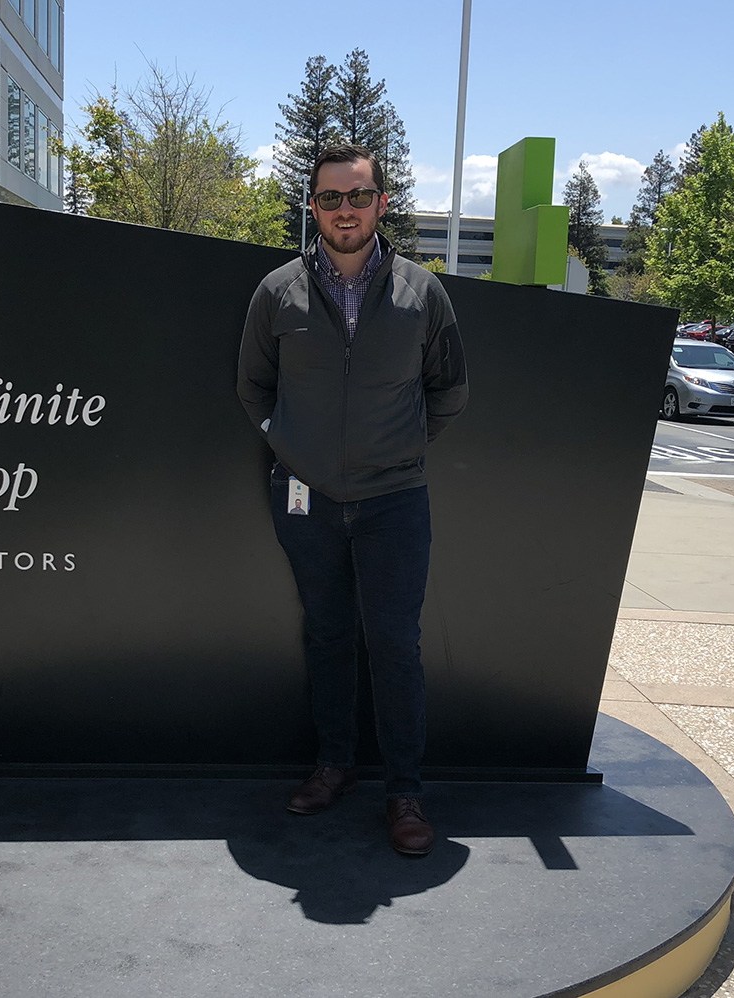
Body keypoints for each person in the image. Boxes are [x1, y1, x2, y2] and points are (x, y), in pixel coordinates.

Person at [236, 144, 468, 856]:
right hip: (305, 497)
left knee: (395, 644)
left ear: (381, 204)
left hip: (394, 499)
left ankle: (405, 792)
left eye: (358, 196)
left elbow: (449, 389)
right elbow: (254, 386)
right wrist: (290, 444)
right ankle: (334, 765)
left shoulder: (422, 293)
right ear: (313, 206)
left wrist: (401, 445)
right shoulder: (277, 292)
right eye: (331, 197)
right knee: (328, 635)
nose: (345, 210)